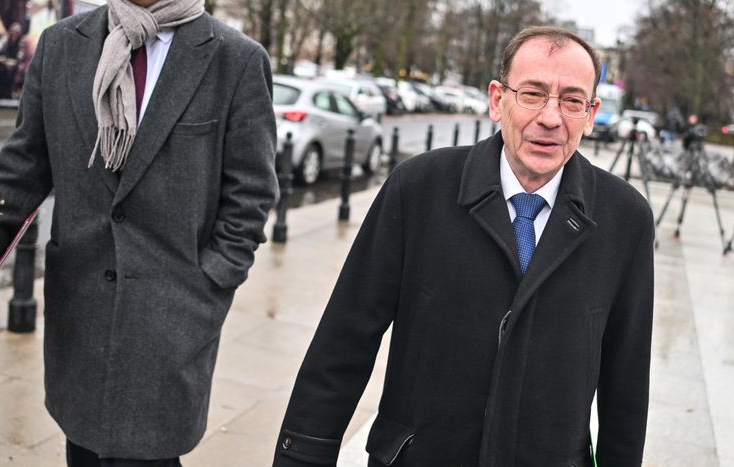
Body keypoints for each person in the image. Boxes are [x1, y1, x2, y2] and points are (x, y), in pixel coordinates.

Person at [0, 0, 279, 466]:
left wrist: (212, 281)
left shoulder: (235, 60)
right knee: (83, 449)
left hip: (173, 315)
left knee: (148, 456)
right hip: (81, 307)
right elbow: (25, 162)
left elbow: (250, 193)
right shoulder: (62, 46)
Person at [274, 26, 655, 466]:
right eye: (532, 94)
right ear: (497, 100)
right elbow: (343, 343)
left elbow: (625, 389)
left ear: (591, 115)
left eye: (572, 101)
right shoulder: (418, 190)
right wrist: (302, 455)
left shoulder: (625, 220)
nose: (551, 118)